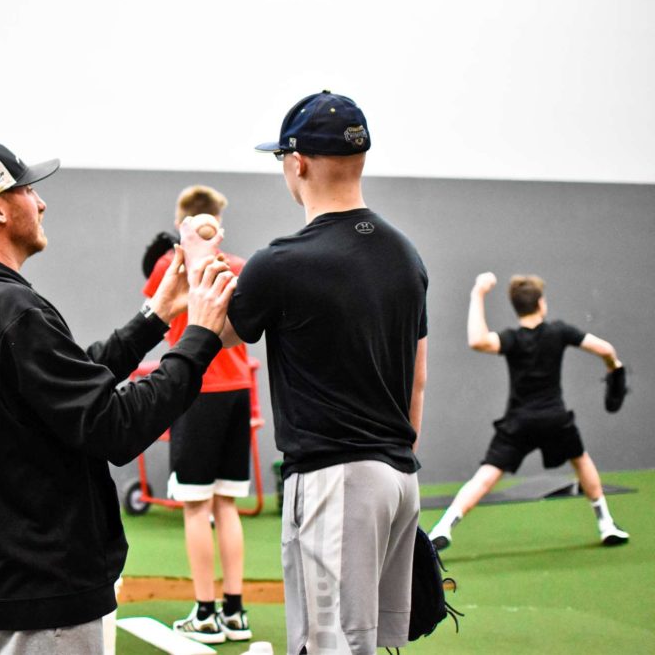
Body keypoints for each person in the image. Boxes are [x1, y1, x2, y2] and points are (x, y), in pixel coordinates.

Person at [0, 142, 237, 655]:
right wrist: (199, 335)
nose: (41, 203)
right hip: (44, 594)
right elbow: (114, 425)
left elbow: (68, 385)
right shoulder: (10, 307)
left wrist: (156, 315)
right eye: (28, 190)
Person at [217, 91, 429, 654]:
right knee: (367, 644)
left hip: (337, 480)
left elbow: (218, 334)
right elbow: (418, 379)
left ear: (298, 162)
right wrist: (396, 466)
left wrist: (196, 262)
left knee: (326, 644)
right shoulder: (406, 255)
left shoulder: (282, 261)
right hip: (399, 477)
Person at [428, 272, 630, 550]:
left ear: (517, 307)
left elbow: (477, 340)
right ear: (541, 303)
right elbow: (605, 349)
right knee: (581, 461)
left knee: (487, 474)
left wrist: (478, 292)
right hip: (555, 419)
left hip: (519, 423)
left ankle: (443, 527)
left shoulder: (512, 339)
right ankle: (606, 523)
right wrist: (614, 368)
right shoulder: (560, 332)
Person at [141, 185, 253, 644]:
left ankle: (206, 614)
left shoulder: (172, 265)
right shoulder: (240, 267)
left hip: (197, 389)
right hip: (238, 390)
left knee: (195, 507)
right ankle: (235, 611)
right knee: (226, 504)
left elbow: (155, 313)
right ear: (218, 223)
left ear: (181, 222)